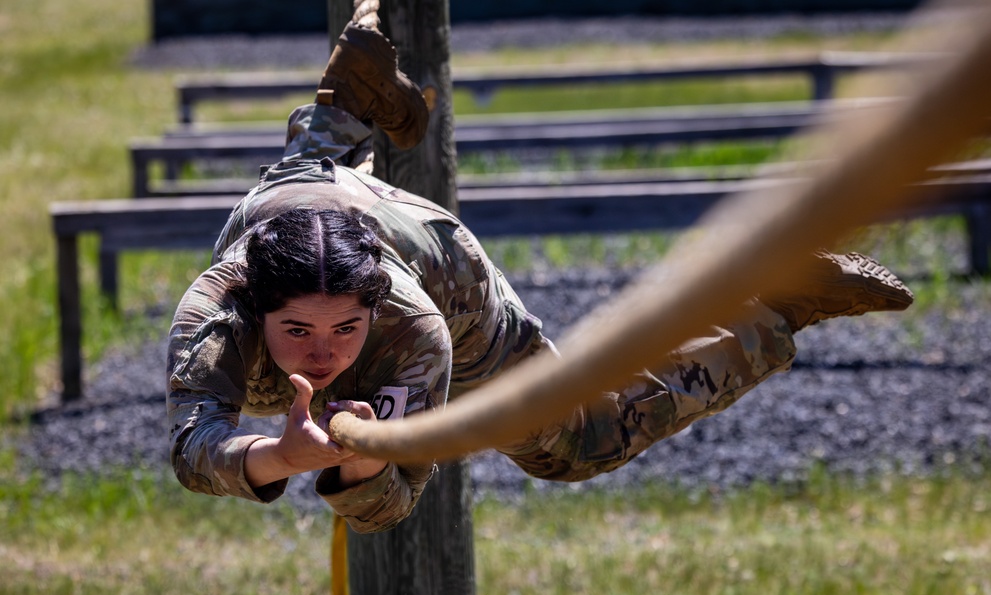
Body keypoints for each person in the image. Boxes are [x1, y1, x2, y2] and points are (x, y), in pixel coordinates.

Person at [167, 22, 914, 534]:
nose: (325, 354)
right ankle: (355, 100)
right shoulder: (215, 309)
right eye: (297, 330)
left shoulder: (417, 327)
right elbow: (192, 448)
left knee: (580, 439)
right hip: (303, 195)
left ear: (375, 308)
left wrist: (364, 461)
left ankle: (779, 305)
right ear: (253, 308)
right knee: (310, 168)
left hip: (445, 272)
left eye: (343, 329)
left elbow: (394, 502)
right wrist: (279, 458)